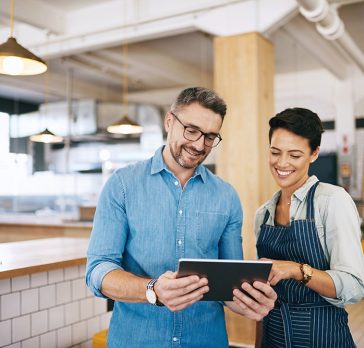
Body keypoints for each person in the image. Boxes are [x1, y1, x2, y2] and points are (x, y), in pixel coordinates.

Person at [86, 87, 276, 347]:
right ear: (169, 121)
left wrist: (249, 303)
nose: (199, 145)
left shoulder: (226, 196)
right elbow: (98, 272)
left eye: (210, 137)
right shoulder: (122, 185)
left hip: (206, 340)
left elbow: (228, 284)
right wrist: (152, 290)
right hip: (137, 340)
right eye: (192, 130)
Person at [254, 107, 364, 348]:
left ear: (314, 154)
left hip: (323, 336)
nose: (282, 163)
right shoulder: (262, 214)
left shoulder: (332, 201)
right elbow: (262, 294)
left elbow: (355, 286)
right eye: (275, 152)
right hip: (272, 337)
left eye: (294, 155)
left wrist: (296, 269)